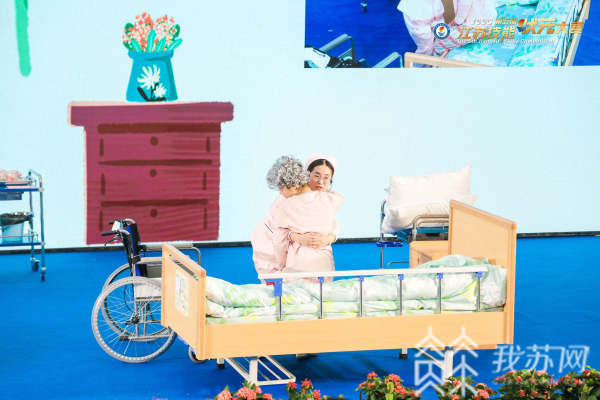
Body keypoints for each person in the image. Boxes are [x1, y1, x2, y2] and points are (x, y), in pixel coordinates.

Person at [250, 156, 309, 276]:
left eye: (281, 188)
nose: (280, 192)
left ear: (294, 186)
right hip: (268, 248)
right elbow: (279, 242)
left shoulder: (305, 199)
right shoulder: (283, 203)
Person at [289, 154, 340, 249]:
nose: (320, 181)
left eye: (326, 177)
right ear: (307, 175)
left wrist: (327, 239)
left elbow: (334, 227)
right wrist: (298, 238)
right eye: (317, 176)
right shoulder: (292, 197)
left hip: (322, 253)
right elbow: (278, 228)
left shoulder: (329, 199)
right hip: (296, 253)